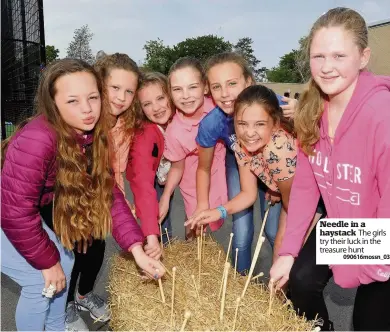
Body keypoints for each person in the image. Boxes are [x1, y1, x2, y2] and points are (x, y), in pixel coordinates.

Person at [1, 59, 165, 332]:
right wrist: (47, 262)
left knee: (64, 264)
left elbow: (108, 191)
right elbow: (15, 212)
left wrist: (137, 250)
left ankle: (56, 327)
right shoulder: (39, 138)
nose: (87, 109)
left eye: (92, 97)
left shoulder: (91, 133)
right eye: (73, 101)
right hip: (9, 212)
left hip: (20, 209)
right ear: (53, 105)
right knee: (40, 278)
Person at [269, 7, 390, 331]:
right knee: (302, 280)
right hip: (348, 225)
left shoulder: (381, 114)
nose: (326, 67)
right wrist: (288, 251)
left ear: (363, 57)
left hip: (384, 233)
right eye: (318, 56)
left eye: (338, 55)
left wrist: (375, 261)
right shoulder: (312, 109)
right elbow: (308, 187)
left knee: (368, 322)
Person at [195, 52, 297, 273]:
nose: (225, 94)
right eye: (216, 87)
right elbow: (245, 193)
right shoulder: (232, 138)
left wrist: (303, 111)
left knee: (279, 236)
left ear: (249, 82)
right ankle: (244, 284)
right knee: (241, 234)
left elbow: (294, 207)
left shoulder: (276, 123)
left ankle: (285, 287)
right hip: (249, 163)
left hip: (295, 183)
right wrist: (212, 209)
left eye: (232, 83)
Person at [63, 53, 142, 331]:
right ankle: (65, 307)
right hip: (70, 199)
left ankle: (84, 296)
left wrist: (122, 205)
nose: (121, 97)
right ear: (99, 85)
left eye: (129, 90)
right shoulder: (83, 119)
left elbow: (114, 170)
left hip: (102, 197)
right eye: (114, 88)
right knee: (72, 252)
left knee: (96, 250)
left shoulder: (123, 126)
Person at [159, 57, 228, 239]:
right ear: (170, 93)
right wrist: (165, 197)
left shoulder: (218, 106)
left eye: (192, 87)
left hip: (222, 175)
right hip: (193, 185)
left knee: (226, 222)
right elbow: (177, 167)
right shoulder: (174, 131)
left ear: (205, 87)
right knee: (196, 228)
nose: (186, 95)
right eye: (177, 90)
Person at [127, 71, 175, 257]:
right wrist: (151, 234)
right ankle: (159, 245)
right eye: (147, 104)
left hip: (170, 169)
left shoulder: (180, 116)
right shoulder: (144, 137)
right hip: (151, 174)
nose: (156, 108)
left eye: (161, 98)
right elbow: (143, 184)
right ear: (140, 109)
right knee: (157, 215)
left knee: (167, 203)